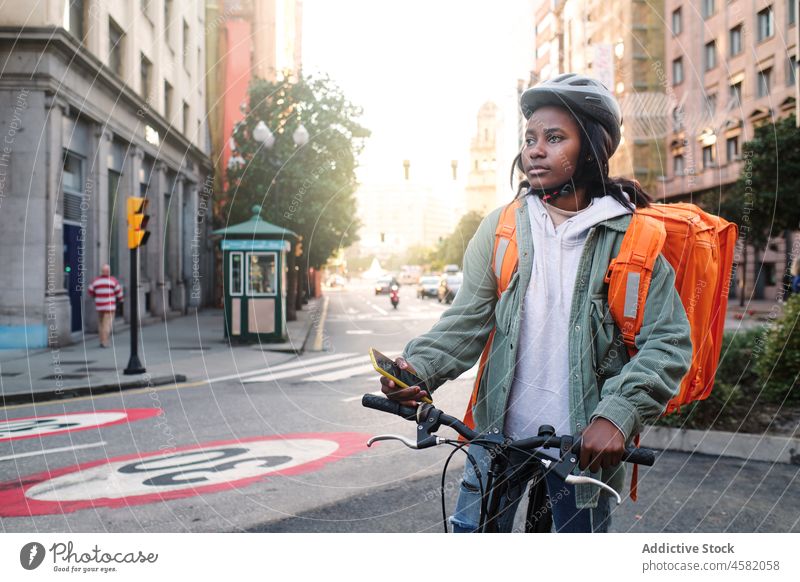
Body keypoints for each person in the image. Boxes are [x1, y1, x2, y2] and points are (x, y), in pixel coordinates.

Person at [379, 73, 693, 533]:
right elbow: (466, 321)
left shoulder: (633, 239)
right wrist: (417, 369)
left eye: (554, 138)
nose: (535, 149)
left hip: (583, 449)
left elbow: (668, 343)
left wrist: (617, 416)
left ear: (590, 149)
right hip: (496, 440)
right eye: (529, 138)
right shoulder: (502, 228)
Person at [87, 264, 124, 348]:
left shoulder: (95, 281)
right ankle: (105, 341)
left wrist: (97, 296)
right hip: (109, 307)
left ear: (101, 272)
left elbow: (90, 292)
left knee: (101, 324)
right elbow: (119, 293)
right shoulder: (113, 281)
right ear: (108, 272)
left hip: (99, 306)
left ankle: (101, 340)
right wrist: (120, 300)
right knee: (107, 324)